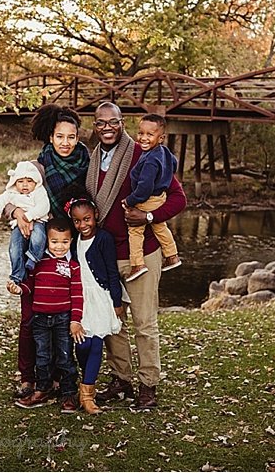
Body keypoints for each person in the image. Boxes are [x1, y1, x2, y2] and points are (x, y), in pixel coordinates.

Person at [85, 102, 187, 409]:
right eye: (101, 122)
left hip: (141, 253)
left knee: (144, 323)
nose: (107, 128)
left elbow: (178, 198)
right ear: (95, 125)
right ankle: (122, 379)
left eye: (113, 122)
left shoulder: (144, 155)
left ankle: (148, 386)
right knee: (113, 323)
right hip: (104, 254)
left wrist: (149, 218)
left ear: (122, 124)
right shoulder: (92, 161)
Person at [2, 104, 89, 400]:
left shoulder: (86, 162)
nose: (66, 142)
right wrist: (17, 211)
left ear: (78, 138)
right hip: (39, 249)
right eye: (60, 136)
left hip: (70, 246)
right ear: (50, 137)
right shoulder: (38, 166)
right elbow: (11, 196)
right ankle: (28, 376)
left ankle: (57, 377)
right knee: (31, 316)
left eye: (71, 137)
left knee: (64, 316)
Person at [7, 217, 84, 413]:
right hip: (40, 319)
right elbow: (29, 286)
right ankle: (42, 389)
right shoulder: (38, 263)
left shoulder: (73, 267)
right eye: (54, 242)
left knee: (65, 356)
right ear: (46, 241)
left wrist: (75, 320)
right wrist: (18, 289)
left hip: (63, 318)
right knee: (42, 356)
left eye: (65, 242)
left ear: (71, 241)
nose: (59, 247)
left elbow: (77, 294)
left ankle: (68, 393)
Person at [65, 192, 123, 414]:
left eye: (87, 219)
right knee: (83, 344)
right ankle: (85, 376)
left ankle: (87, 395)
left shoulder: (104, 239)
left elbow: (111, 272)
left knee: (96, 342)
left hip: (100, 296)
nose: (83, 225)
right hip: (81, 298)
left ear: (95, 215)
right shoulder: (73, 241)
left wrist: (116, 302)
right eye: (77, 221)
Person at [122, 113, 182, 282]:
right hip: (159, 196)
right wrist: (165, 177)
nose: (143, 138)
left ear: (161, 137)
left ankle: (137, 264)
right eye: (141, 133)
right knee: (160, 227)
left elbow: (144, 188)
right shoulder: (163, 152)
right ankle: (172, 256)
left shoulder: (150, 161)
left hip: (148, 199)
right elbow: (174, 163)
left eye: (150, 134)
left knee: (135, 230)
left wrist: (130, 201)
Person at [0, 160, 50, 285]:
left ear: (36, 182)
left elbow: (44, 206)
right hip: (18, 224)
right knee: (14, 247)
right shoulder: (11, 193)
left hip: (38, 220)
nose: (25, 185)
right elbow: (0, 201)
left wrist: (29, 216)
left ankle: (33, 258)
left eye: (29, 181)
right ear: (15, 183)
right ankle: (17, 274)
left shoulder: (39, 191)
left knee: (38, 237)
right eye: (20, 181)